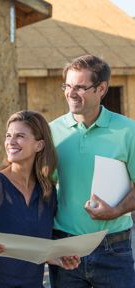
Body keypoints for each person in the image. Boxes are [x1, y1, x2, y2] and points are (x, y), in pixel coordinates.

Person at [49, 54, 135, 288]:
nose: (70, 93)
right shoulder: (51, 132)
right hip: (67, 247)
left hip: (114, 248)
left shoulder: (128, 131)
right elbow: (40, 184)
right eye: (67, 86)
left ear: (102, 89)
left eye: (80, 87)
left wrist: (116, 210)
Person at [0, 110, 80, 288]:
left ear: (39, 145)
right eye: (8, 136)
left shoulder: (48, 191)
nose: (11, 142)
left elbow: (37, 244)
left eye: (20, 136)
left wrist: (57, 257)